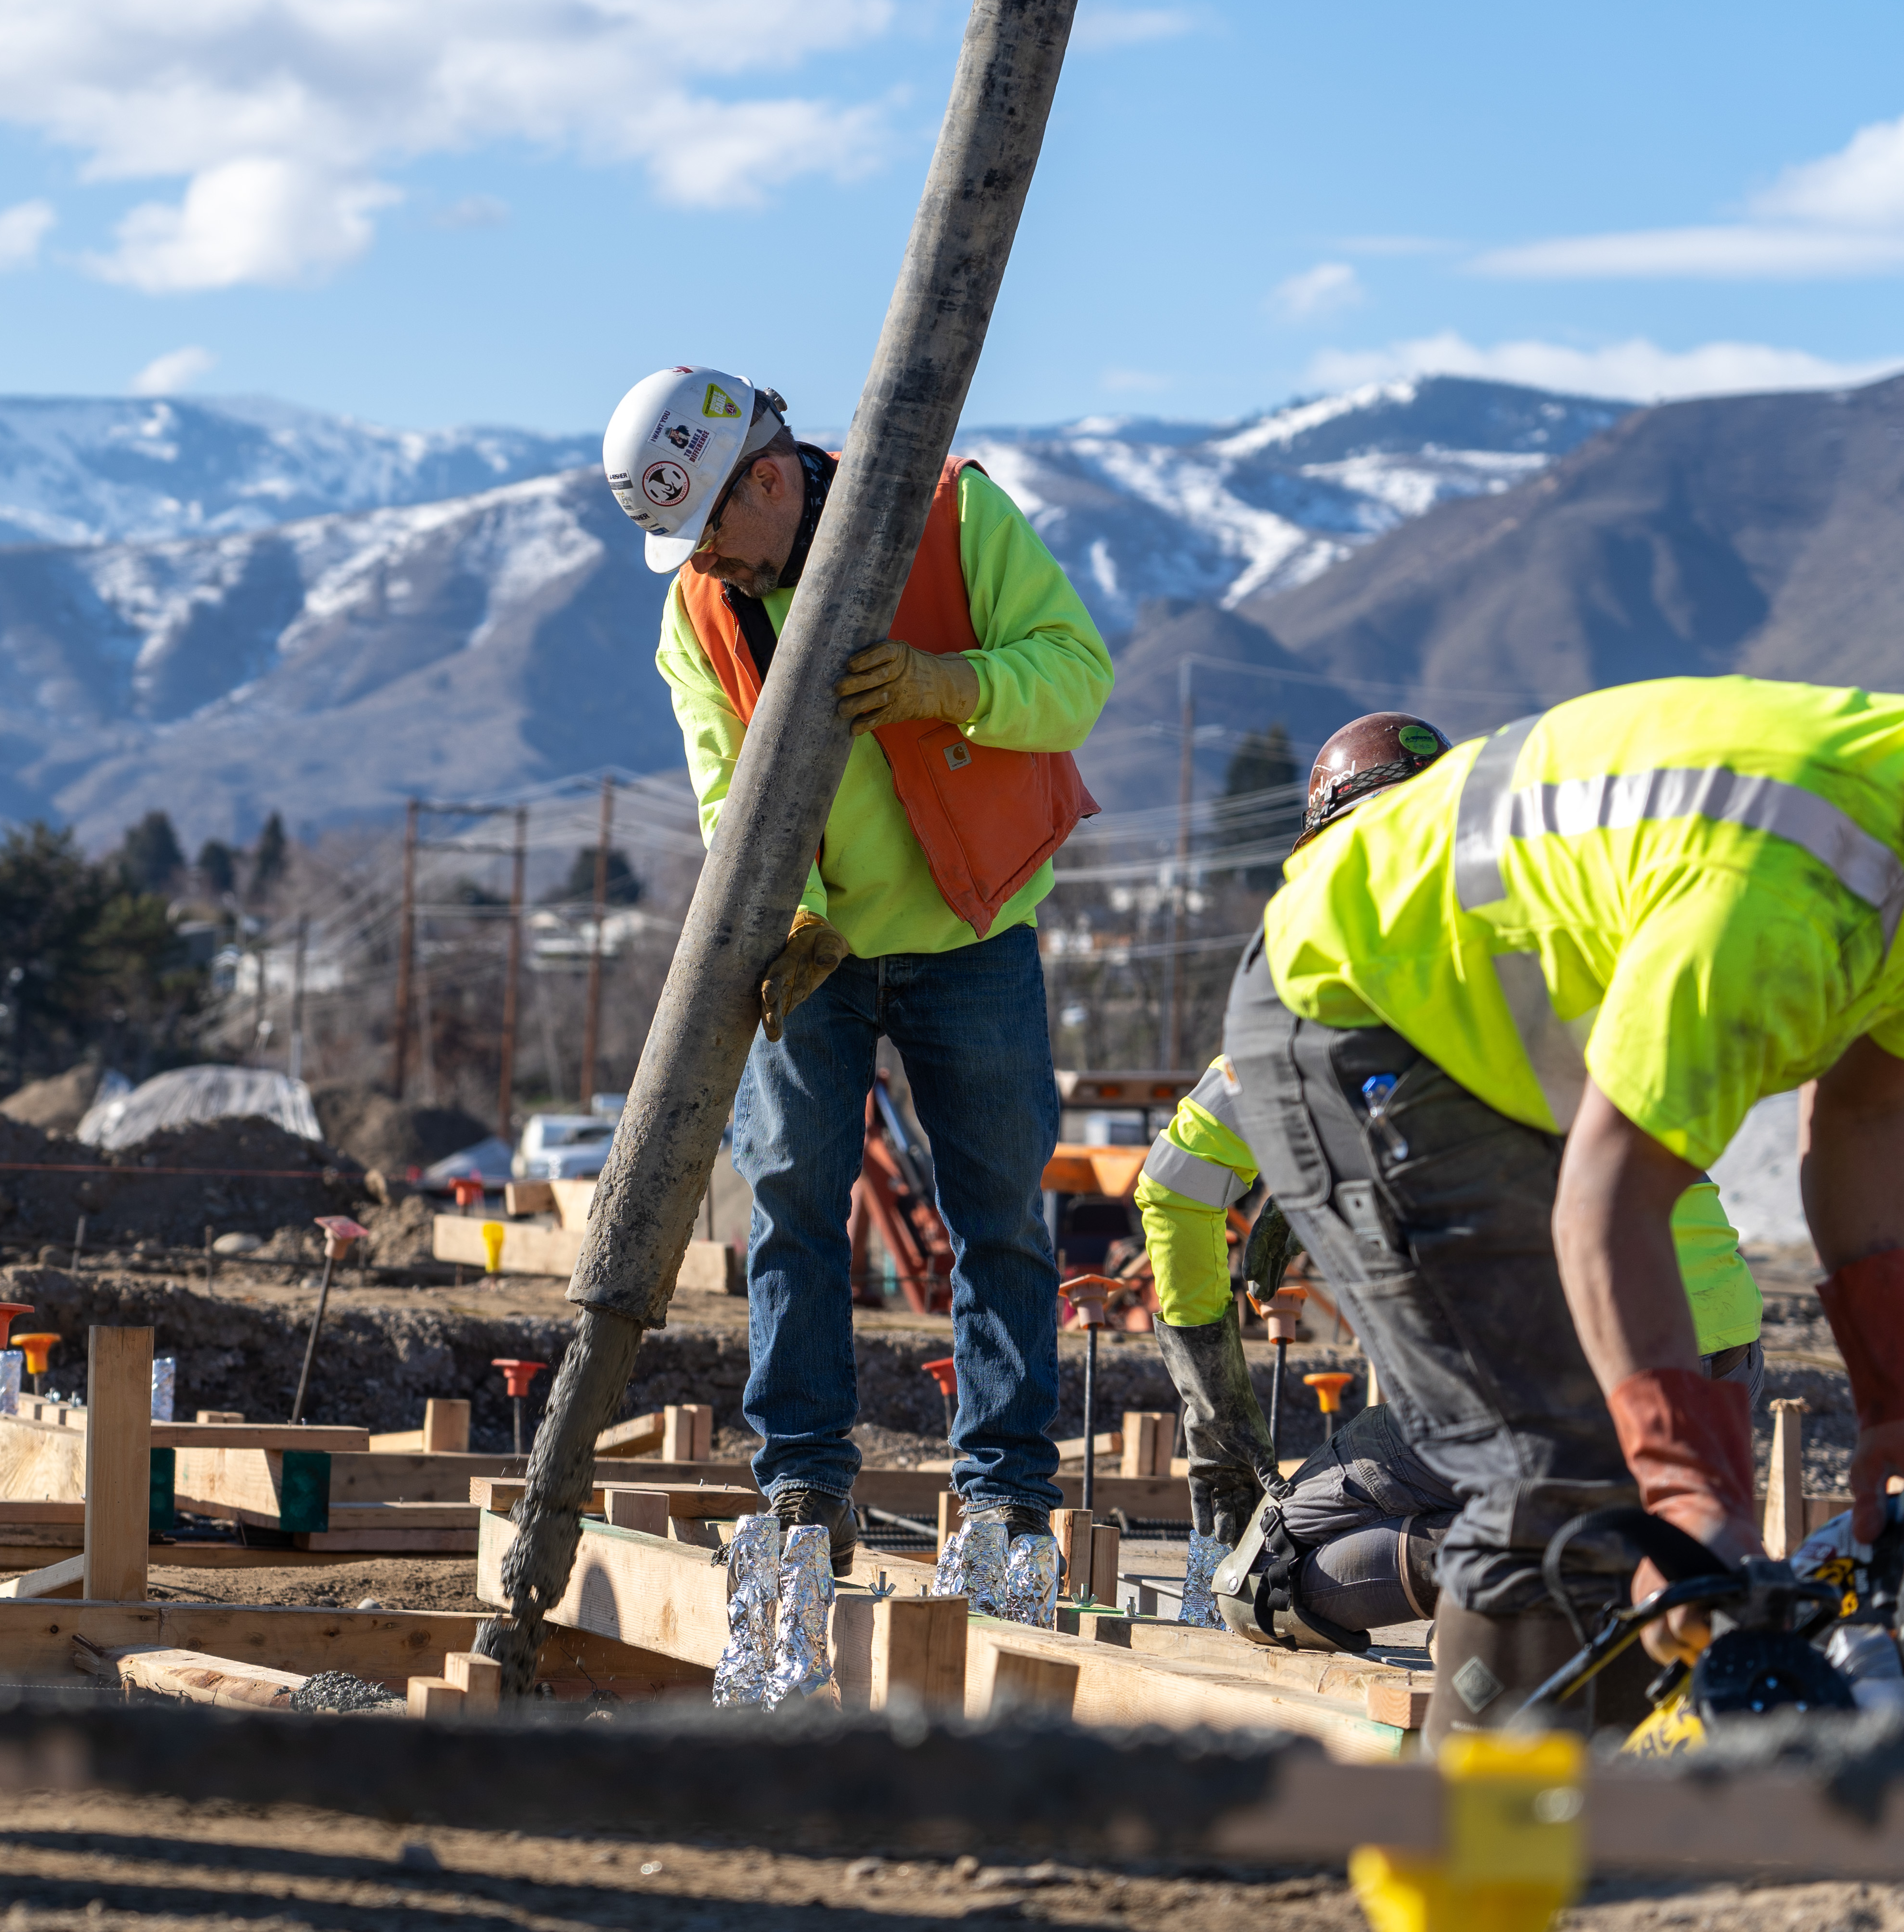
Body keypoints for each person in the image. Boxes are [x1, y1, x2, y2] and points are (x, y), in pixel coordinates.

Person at [1219, 676, 1904, 1742]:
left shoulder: (1884, 836)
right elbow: (1611, 1195)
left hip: (1482, 1037)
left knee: (1614, 1507)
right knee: (1559, 1472)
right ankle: (1469, 1868)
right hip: (1351, 998)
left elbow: (1864, 1118)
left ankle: (1604, 1831)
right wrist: (1685, 1487)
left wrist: (1892, 1406)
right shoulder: (1783, 898)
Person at [603, 365, 1113, 1602]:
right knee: (790, 1203)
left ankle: (1005, 1498)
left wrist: (957, 687)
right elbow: (729, 789)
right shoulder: (702, 617)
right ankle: (804, 1483)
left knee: (998, 1214)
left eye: (710, 531)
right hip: (812, 947)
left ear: (769, 479)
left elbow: (1078, 674)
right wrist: (799, 916)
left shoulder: (953, 516)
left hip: (970, 930)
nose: (704, 566)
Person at [1134, 715, 1767, 1644]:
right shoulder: (1575, 927)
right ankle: (1599, 1562)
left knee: (1257, 1581)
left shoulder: (1327, 962)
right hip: (1716, 1355)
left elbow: (1176, 1187)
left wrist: (1221, 1432)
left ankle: (1540, 1559)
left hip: (1542, 1379)